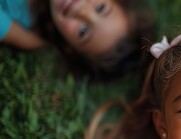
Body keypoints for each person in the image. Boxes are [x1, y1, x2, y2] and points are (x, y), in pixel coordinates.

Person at [1, 0, 154, 80]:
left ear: (69, 48)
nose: (83, 10)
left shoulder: (29, 35)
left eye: (83, 31)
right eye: (100, 8)